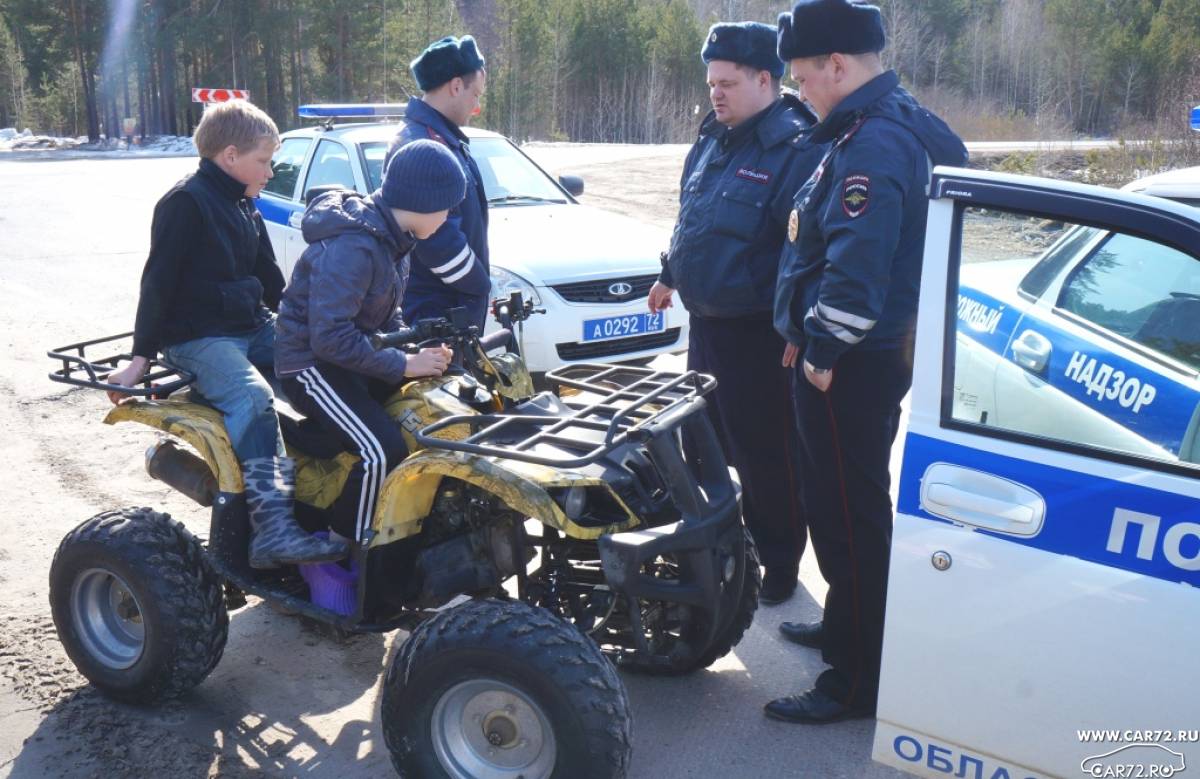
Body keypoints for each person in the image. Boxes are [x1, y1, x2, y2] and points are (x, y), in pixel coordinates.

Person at [766, 0, 968, 723]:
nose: (800, 91)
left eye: (803, 76)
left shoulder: (874, 143)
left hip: (850, 364)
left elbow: (857, 271)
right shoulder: (875, 122)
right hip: (851, 355)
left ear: (839, 67)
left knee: (850, 514)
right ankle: (849, 622)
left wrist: (820, 346)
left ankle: (856, 680)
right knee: (841, 504)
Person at [107, 99, 347, 570]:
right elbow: (157, 282)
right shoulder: (185, 203)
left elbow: (271, 280)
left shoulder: (243, 203)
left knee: (327, 366)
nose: (270, 170)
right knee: (252, 399)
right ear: (231, 156)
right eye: (264, 160)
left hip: (250, 326)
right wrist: (139, 359)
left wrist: (314, 330)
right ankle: (273, 532)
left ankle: (325, 492)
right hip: (198, 339)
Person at [648, 21, 821, 604]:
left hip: (760, 336)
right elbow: (695, 215)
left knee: (766, 456)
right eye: (710, 83)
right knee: (704, 448)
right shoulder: (714, 136)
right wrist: (670, 273)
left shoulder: (794, 148)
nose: (715, 93)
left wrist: (798, 324)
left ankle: (777, 564)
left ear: (765, 79)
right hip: (708, 326)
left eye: (727, 82)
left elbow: (807, 251)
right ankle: (718, 551)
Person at [274, 140, 464, 546]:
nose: (448, 218)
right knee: (382, 450)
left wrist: (412, 354)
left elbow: (385, 317)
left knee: (431, 411)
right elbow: (328, 338)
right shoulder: (355, 247)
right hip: (309, 365)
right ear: (421, 201)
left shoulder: (396, 241)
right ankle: (341, 549)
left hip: (345, 356)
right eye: (446, 208)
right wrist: (402, 364)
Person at [384, 35, 491, 330]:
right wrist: (480, 285)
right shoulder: (420, 143)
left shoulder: (443, 136)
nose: (476, 106)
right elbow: (435, 238)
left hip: (450, 306)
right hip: (435, 310)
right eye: (476, 95)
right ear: (456, 86)